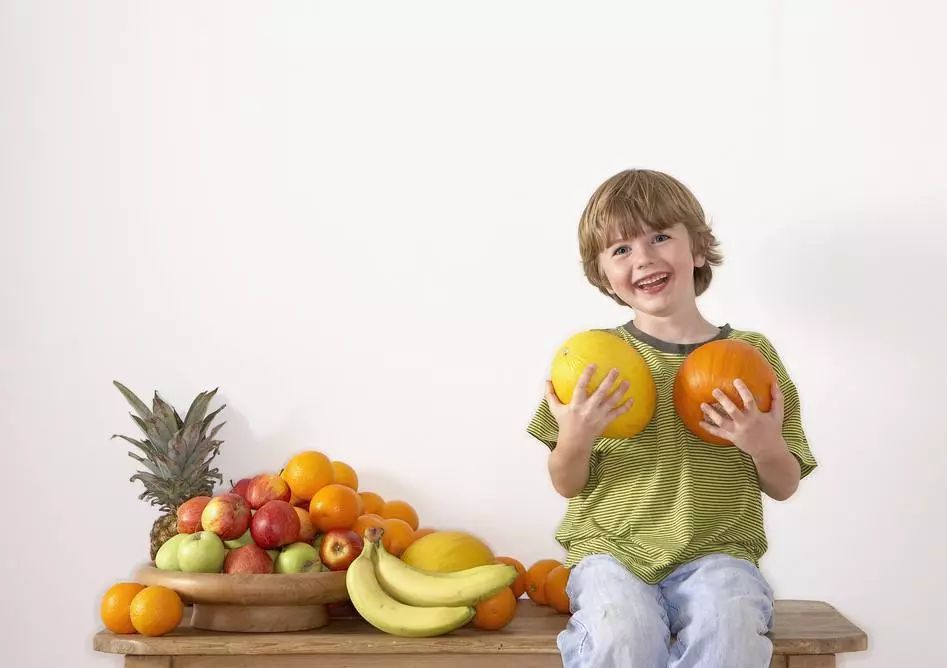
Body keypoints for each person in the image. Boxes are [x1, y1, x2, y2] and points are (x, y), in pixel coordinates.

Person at [527, 169, 817, 667]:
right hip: (613, 552)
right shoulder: (591, 361)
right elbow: (566, 482)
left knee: (730, 632)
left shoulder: (752, 355)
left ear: (698, 250)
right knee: (622, 633)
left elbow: (785, 483)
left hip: (719, 552)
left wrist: (762, 443)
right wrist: (575, 436)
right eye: (620, 249)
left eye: (659, 237)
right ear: (603, 275)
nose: (643, 257)